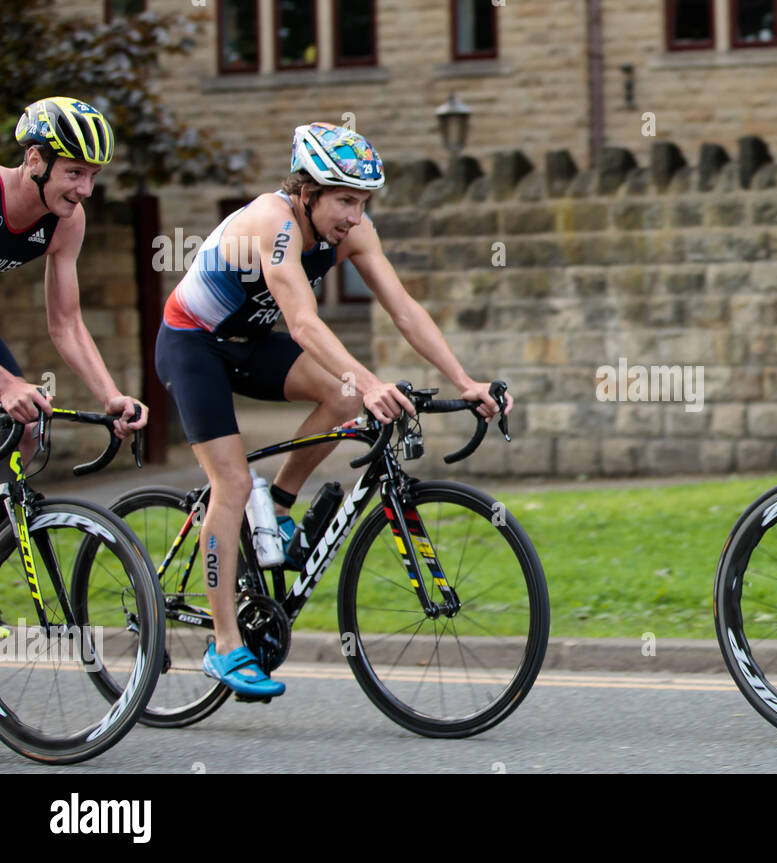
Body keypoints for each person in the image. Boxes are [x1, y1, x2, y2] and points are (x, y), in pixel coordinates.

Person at [155, 122, 511, 698]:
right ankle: (225, 646)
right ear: (306, 191)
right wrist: (371, 381)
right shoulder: (273, 224)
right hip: (193, 343)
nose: (354, 214)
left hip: (249, 344)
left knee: (343, 398)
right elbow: (302, 323)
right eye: (344, 199)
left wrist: (464, 379)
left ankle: (281, 504)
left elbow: (403, 309)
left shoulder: (354, 230)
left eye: (363, 201)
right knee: (232, 481)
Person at [0, 97, 148, 455]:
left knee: (26, 426)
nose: (85, 190)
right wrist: (5, 384)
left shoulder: (68, 221)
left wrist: (111, 396)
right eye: (74, 173)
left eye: (92, 176)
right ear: (35, 160)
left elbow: (66, 324)